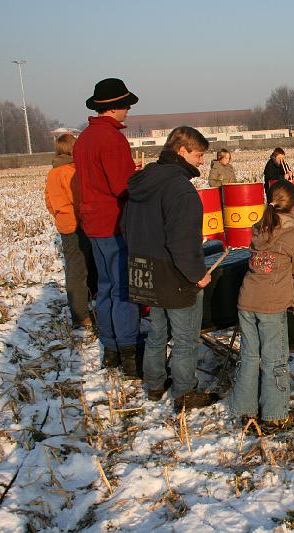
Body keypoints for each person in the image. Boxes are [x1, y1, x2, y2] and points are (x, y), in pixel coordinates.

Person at [122, 126, 219, 411]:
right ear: (181, 151)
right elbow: (183, 241)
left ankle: (153, 385)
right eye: (199, 155)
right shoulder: (180, 189)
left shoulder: (142, 181)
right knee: (186, 339)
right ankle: (185, 393)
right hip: (174, 275)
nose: (202, 161)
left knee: (156, 332)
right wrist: (198, 274)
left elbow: (126, 228)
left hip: (145, 272)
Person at [73, 78, 142, 377]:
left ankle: (111, 351)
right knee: (122, 289)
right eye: (126, 105)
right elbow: (121, 186)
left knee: (104, 287)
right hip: (113, 221)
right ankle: (129, 352)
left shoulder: (84, 138)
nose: (128, 110)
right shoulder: (112, 139)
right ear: (115, 107)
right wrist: (141, 180)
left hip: (91, 222)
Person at [230, 180, 294, 425]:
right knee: (275, 359)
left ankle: (245, 410)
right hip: (272, 304)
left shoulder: (260, 226)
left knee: (250, 356)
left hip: (246, 300)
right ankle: (275, 416)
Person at [44, 133, 97, 329]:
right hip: (77, 225)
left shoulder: (53, 172)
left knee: (76, 268)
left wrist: (59, 216)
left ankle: (82, 309)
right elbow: (79, 200)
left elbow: (49, 201)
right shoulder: (70, 171)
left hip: (64, 225)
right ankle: (80, 315)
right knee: (78, 270)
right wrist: (84, 219)